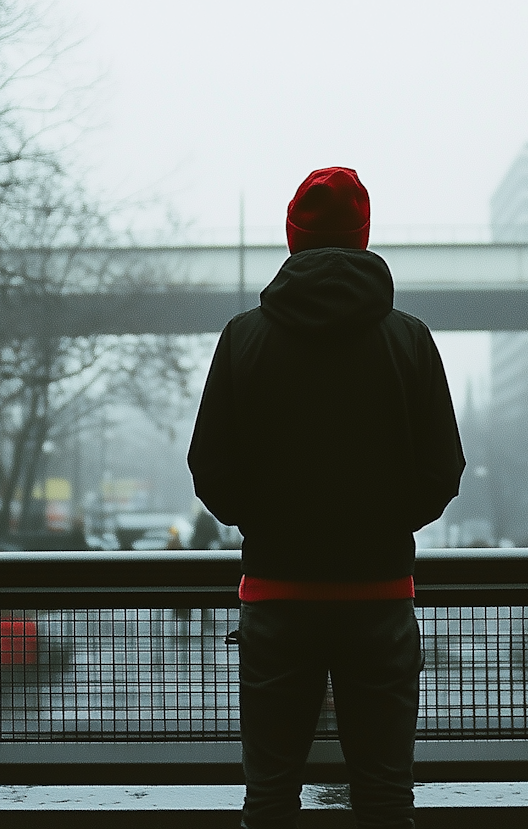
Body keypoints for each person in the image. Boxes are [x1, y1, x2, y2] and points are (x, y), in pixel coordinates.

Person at [188, 166, 465, 829]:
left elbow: (209, 467)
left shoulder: (244, 337)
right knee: (384, 795)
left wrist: (266, 523)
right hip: (378, 598)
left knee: (272, 796)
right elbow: (442, 469)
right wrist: (384, 525)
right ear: (364, 238)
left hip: (278, 599)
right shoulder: (410, 339)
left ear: (293, 239)